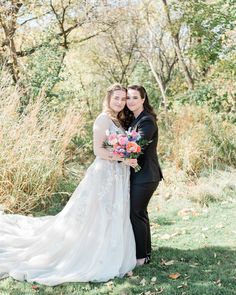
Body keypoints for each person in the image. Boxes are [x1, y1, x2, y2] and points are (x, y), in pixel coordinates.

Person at [0, 84, 137, 286]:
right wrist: (122, 158)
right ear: (108, 98)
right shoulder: (102, 119)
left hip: (118, 174)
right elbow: (98, 150)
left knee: (112, 212)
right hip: (105, 174)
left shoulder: (120, 119)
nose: (120, 102)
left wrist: (126, 156)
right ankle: (92, 250)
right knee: (97, 212)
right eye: (116, 98)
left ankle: (111, 247)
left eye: (123, 99)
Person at [126, 85, 163, 266]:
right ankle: (146, 253)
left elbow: (138, 147)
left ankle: (141, 257)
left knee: (135, 213)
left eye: (134, 97)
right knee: (140, 213)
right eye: (128, 98)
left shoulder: (146, 121)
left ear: (143, 99)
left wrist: (118, 156)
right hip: (140, 175)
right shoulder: (134, 119)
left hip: (146, 175)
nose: (130, 101)